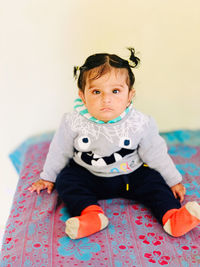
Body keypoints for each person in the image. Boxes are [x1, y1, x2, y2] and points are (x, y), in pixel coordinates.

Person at [28, 48, 200, 239]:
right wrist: (48, 177)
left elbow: (156, 153)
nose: (106, 99)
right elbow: (59, 150)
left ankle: (172, 218)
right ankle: (92, 215)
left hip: (130, 175)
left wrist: (174, 180)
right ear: (82, 95)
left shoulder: (140, 123)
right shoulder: (73, 121)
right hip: (89, 174)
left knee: (155, 182)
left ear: (130, 95)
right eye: (96, 91)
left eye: (115, 91)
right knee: (66, 180)